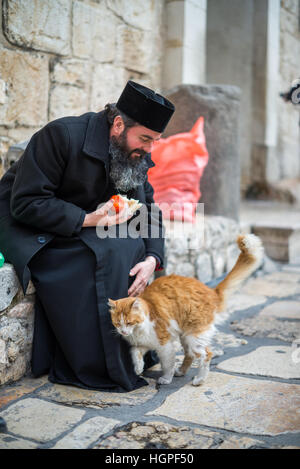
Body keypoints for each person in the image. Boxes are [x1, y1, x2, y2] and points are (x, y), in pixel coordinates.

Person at [0, 81, 175, 392]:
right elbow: (26, 203)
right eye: (146, 139)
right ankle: (97, 365)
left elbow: (148, 209)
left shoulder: (133, 152)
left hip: (88, 225)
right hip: (35, 227)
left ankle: (133, 354)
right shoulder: (62, 135)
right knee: (106, 252)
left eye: (156, 141)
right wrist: (88, 218)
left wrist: (153, 258)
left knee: (133, 246)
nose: (150, 149)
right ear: (119, 124)